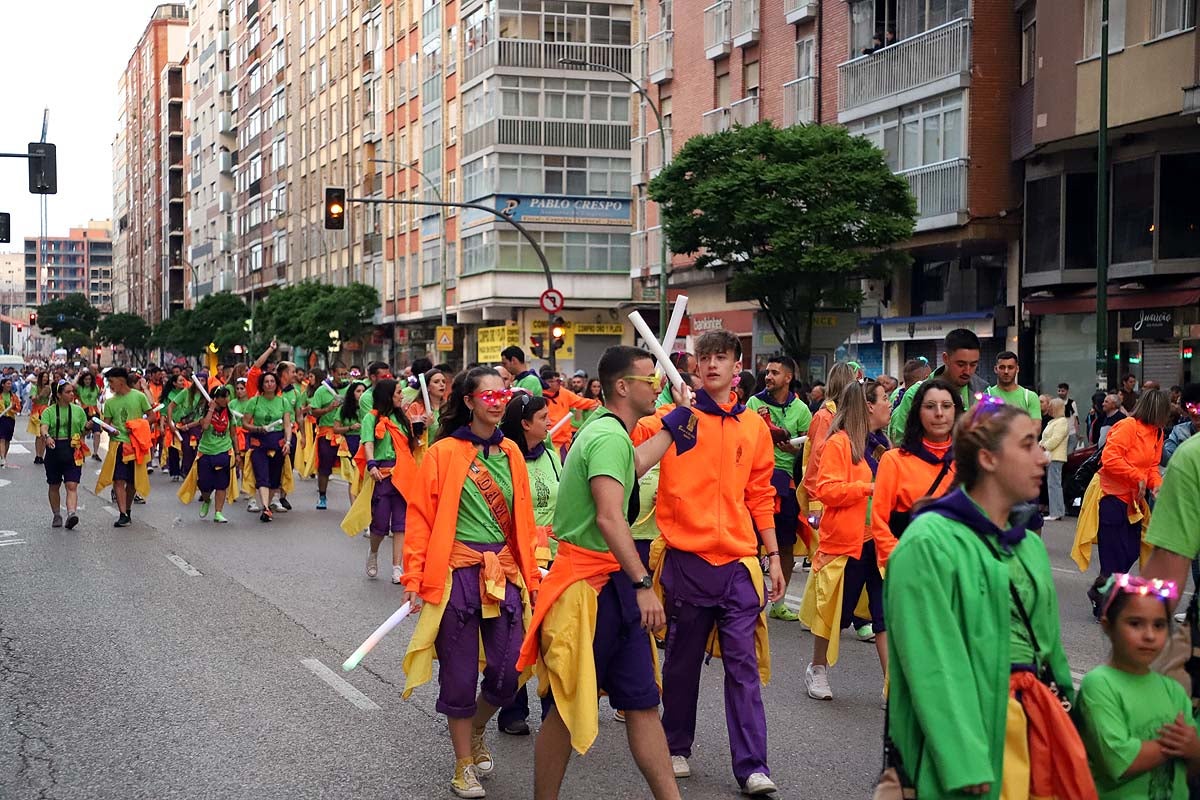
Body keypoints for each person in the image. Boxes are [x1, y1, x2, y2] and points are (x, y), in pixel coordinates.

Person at [886, 397, 1094, 800]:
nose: (1042, 457)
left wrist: (1076, 728)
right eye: (1028, 444)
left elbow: (1052, 655)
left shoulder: (1028, 546)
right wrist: (964, 759)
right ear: (988, 458)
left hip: (1036, 728)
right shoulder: (927, 543)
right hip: (967, 742)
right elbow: (933, 661)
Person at [517, 346, 681, 800]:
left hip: (611, 584)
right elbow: (610, 518)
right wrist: (644, 585)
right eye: (653, 379)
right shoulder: (607, 436)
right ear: (624, 386)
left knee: (643, 702)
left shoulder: (607, 432)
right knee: (568, 710)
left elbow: (634, 465)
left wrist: (674, 424)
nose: (659, 386)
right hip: (589, 590)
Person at [634, 330, 784, 795]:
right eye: (705, 357)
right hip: (687, 556)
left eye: (722, 357)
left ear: (738, 365)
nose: (713, 365)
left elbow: (760, 493)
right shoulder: (677, 418)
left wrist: (774, 555)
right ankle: (676, 745)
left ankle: (752, 765)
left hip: (740, 562)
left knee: (742, 665)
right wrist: (662, 402)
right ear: (694, 365)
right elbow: (631, 445)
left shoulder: (755, 426)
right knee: (681, 662)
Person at [399, 367, 541, 799]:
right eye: (488, 396)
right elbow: (421, 517)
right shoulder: (443, 453)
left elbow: (524, 520)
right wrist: (414, 575)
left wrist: (531, 574)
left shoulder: (513, 452)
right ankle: (463, 763)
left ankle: (478, 727)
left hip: (504, 572)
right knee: (459, 678)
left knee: (509, 671)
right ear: (469, 401)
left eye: (503, 395)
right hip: (456, 573)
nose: (497, 402)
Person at [802, 381, 892, 702]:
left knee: (884, 617)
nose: (889, 404)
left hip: (878, 542)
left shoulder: (884, 445)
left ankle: (891, 688)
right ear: (868, 406)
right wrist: (867, 488)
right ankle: (817, 668)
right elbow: (826, 489)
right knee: (835, 616)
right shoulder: (839, 443)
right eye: (884, 399)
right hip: (845, 543)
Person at [1074, 574, 1198, 799]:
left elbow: (1193, 765)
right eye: (1135, 623)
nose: (1149, 635)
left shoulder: (1173, 691)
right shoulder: (1100, 685)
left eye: (1159, 625)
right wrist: (1175, 745)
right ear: (1107, 626)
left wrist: (1193, 749)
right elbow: (1119, 761)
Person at [496, 392, 562, 737]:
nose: (550, 422)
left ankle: (553, 707)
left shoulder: (552, 455)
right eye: (542, 418)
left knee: (553, 635)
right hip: (516, 559)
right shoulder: (504, 456)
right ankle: (512, 708)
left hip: (552, 556)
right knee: (515, 635)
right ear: (524, 424)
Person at [1077, 389, 1171, 614]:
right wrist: (1136, 476)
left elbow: (1151, 467)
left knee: (1131, 550)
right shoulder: (1128, 426)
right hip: (1109, 495)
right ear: (1155, 410)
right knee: (1114, 555)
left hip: (1133, 500)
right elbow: (1110, 459)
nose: (1166, 417)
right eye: (1164, 412)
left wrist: (1156, 485)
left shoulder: (1157, 433)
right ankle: (1105, 606)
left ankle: (1101, 589)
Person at [745, 355, 813, 621]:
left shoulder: (802, 410)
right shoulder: (754, 403)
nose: (768, 377)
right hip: (756, 480)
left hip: (787, 483)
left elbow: (810, 448)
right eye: (767, 372)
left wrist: (794, 450)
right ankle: (748, 598)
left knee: (784, 544)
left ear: (788, 377)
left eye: (775, 373)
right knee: (752, 542)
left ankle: (779, 602)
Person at [870, 378, 962, 571]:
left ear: (956, 411)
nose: (939, 413)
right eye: (930, 406)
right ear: (918, 412)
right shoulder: (894, 460)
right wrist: (900, 562)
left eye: (946, 406)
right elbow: (879, 522)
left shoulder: (970, 461)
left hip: (959, 572)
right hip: (910, 570)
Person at [889, 328, 986, 441]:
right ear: (945, 358)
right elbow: (901, 442)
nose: (967, 371)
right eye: (961, 364)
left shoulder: (982, 393)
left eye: (973, 365)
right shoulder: (915, 393)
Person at [97, 367, 152, 528]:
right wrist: (108, 428)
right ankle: (122, 513)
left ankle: (127, 509)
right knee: (118, 479)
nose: (110, 385)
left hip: (136, 445)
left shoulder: (139, 397)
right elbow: (105, 424)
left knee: (133, 482)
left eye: (112, 382)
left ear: (121, 380)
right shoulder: (110, 402)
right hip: (118, 445)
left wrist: (138, 425)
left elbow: (152, 416)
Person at [242, 371, 293, 523]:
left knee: (274, 477)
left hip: (277, 442)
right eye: (266, 381)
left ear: (276, 384)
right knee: (261, 474)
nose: (270, 384)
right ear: (262, 385)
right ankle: (265, 507)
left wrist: (288, 442)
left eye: (272, 381)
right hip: (259, 442)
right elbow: (245, 423)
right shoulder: (254, 401)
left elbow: (287, 425)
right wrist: (257, 429)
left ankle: (268, 505)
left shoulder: (283, 402)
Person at [40, 381, 90, 529]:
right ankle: (56, 514)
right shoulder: (48, 411)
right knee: (54, 485)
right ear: (59, 395)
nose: (72, 394)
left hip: (73, 450)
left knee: (72, 484)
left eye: (72, 391)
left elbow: (83, 431)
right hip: (54, 449)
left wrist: (88, 428)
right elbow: (43, 427)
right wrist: (47, 437)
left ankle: (71, 514)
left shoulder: (78, 411)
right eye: (68, 392)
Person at [185, 386, 236, 524]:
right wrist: (211, 409)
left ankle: (218, 512)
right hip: (206, 452)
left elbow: (233, 432)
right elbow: (205, 426)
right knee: (204, 484)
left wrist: (236, 453)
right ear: (216, 398)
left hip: (224, 450)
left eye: (227, 396)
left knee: (221, 484)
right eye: (223, 397)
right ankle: (207, 499)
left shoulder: (229, 412)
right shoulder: (204, 410)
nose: (226, 400)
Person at [309, 365, 347, 510]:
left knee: (355, 465)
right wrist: (329, 408)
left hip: (347, 431)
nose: (343, 377)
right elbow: (314, 412)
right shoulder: (322, 390)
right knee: (324, 466)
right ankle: (322, 496)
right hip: (327, 432)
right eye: (340, 374)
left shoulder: (350, 389)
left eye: (345, 374)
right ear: (332, 373)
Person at [540, 368, 599, 456]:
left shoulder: (563, 392)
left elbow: (580, 402)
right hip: (548, 441)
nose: (560, 383)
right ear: (548, 382)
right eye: (557, 381)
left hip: (565, 442)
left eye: (560, 381)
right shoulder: (539, 395)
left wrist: (596, 404)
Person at [985, 352, 1041, 420]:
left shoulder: (1029, 397)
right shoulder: (986, 395)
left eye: (1010, 367)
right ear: (996, 369)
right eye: (1002, 367)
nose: (1006, 371)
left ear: (1017, 369)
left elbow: (1036, 428)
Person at [1040, 397, 1070, 520]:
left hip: (1055, 456)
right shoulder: (1054, 421)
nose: (1049, 408)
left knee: (1054, 485)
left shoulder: (1061, 421)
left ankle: (1056, 512)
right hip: (1051, 456)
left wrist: (1043, 446)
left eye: (1051, 406)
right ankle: (1057, 511)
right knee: (1053, 484)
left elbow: (1056, 439)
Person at [1161, 383, 1200, 467]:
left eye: (1199, 408)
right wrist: (1157, 436)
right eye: (1191, 406)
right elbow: (1168, 460)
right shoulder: (1179, 431)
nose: (1196, 412)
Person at [77, 370, 103, 462]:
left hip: (95, 412)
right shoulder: (79, 388)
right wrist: (78, 375)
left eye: (89, 379)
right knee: (83, 433)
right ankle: (82, 453)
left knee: (97, 433)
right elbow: (72, 386)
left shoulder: (95, 387)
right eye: (86, 379)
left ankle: (95, 453)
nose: (88, 381)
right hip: (83, 411)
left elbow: (100, 397)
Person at [29, 371, 52, 464]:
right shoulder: (35, 387)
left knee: (44, 435)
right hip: (37, 411)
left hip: (46, 410)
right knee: (38, 435)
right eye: (43, 377)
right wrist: (41, 394)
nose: (45, 379)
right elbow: (33, 398)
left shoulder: (48, 388)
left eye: (46, 377)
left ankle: (42, 455)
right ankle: (38, 455)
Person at [0, 377, 19, 468]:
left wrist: (15, 407)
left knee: (7, 439)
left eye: (10, 384)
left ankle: (4, 457)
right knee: (2, 438)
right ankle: (2, 458)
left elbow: (19, 408)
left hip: (10, 419)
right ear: (3, 385)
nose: (9, 385)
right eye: (7, 383)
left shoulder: (14, 396)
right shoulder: (0, 395)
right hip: (1, 419)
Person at [1057, 383, 1080, 452]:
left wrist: (1077, 433)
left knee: (1070, 453)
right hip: (1059, 433)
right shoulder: (1055, 403)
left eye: (1062, 391)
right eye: (1059, 391)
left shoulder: (1072, 403)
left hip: (1071, 432)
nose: (1060, 393)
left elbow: (1075, 418)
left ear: (1067, 391)